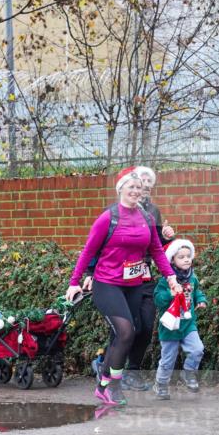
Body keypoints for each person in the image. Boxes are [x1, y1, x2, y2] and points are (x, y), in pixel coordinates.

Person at [66, 169, 180, 406]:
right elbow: (88, 250)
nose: (136, 191)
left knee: (124, 335)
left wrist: (170, 276)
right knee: (126, 332)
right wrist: (74, 282)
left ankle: (103, 385)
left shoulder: (147, 218)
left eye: (139, 188)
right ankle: (114, 385)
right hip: (107, 284)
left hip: (134, 285)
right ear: (120, 189)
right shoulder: (108, 217)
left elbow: (156, 250)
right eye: (131, 187)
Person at [152, 238, 207, 400]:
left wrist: (201, 300)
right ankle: (161, 384)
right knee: (168, 360)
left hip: (188, 324)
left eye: (188, 256)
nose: (186, 259)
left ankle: (188, 373)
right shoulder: (166, 281)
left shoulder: (192, 278)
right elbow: (158, 299)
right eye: (181, 257)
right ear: (172, 260)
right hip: (170, 326)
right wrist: (170, 294)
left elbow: (197, 292)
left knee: (197, 349)